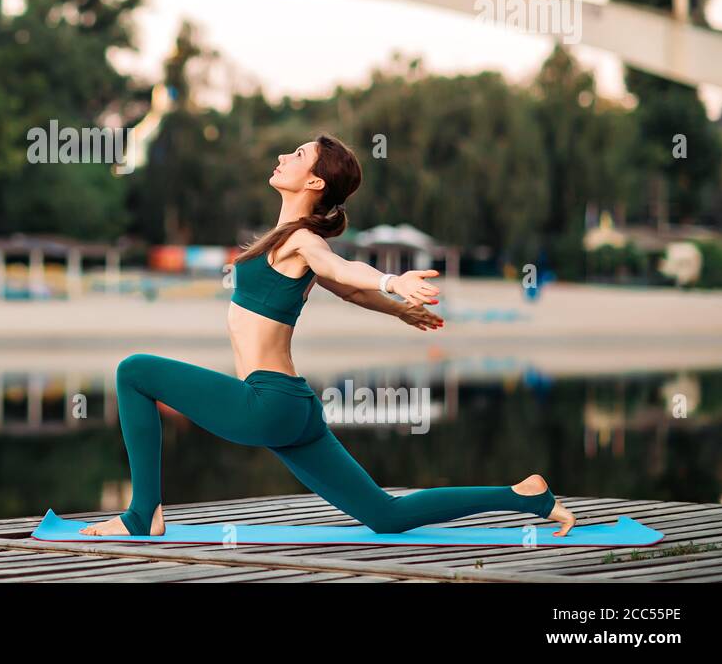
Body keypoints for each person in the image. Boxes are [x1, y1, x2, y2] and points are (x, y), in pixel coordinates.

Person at [81, 134, 575, 538]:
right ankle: (521, 495)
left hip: (267, 402)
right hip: (292, 408)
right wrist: (397, 309)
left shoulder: (304, 240)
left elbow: (341, 267)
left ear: (314, 180)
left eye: (296, 155)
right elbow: (347, 291)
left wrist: (390, 280)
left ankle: (143, 514)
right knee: (386, 516)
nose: (281, 156)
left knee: (134, 372)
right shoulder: (286, 237)